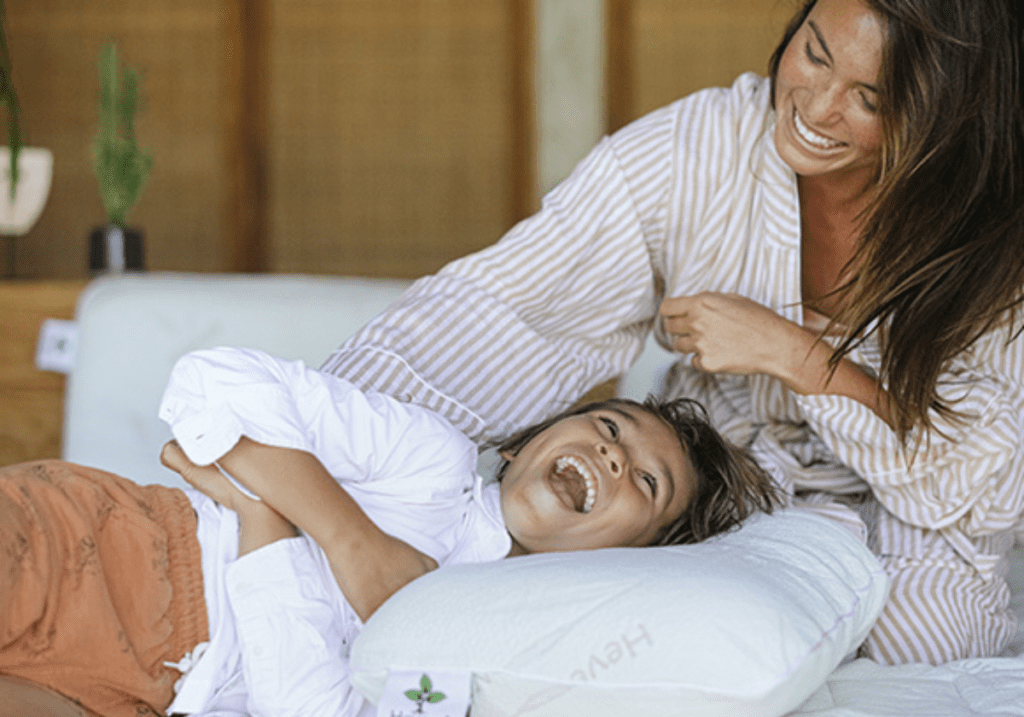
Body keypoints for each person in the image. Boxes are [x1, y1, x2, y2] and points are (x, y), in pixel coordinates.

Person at [321, 0, 1024, 666]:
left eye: (867, 99)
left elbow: (993, 479)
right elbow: (511, 307)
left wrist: (796, 353)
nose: (815, 106)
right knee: (645, 617)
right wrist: (321, 429)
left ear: (939, 123)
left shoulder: (993, 249)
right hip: (726, 472)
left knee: (917, 640)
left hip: (920, 508)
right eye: (813, 54)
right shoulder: (705, 149)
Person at [0, 346, 779, 717]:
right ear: (521, 444)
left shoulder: (492, 656)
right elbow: (215, 379)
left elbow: (309, 712)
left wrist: (267, 516)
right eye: (610, 425)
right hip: (112, 548)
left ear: (631, 560)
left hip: (147, 692)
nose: (614, 452)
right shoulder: (428, 461)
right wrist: (349, 538)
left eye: (647, 481)